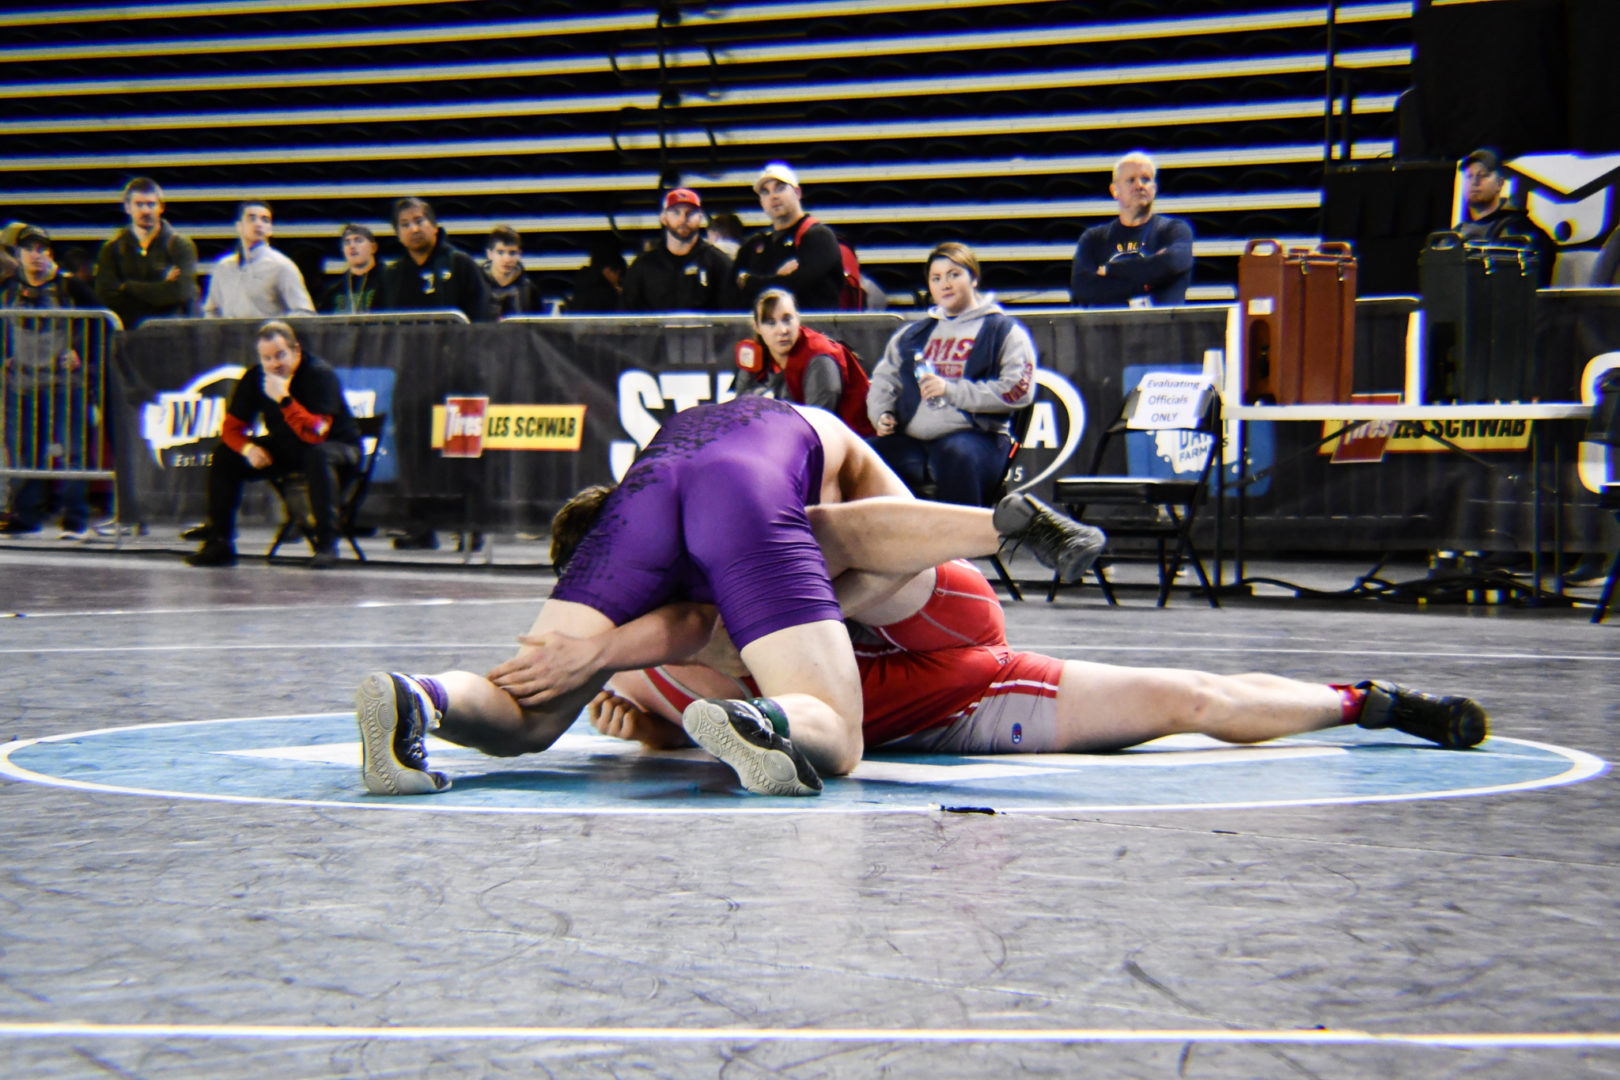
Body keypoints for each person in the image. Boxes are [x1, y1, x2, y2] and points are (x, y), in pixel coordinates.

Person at [353, 396, 1106, 798]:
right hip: (749, 488)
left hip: (649, 504)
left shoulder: (635, 503)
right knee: (838, 731)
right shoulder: (809, 439)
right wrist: (793, 618)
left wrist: (595, 652)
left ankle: (422, 696)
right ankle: (994, 525)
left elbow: (690, 617)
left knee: (527, 716)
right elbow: (889, 557)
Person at [590, 558, 1489, 758]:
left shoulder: (747, 587)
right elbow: (712, 738)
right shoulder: (635, 665)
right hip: (955, 714)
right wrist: (648, 732)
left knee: (1196, 698)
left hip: (968, 677)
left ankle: (1358, 700)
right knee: (1190, 700)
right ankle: (1365, 701)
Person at [866, 242, 1035, 506]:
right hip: (913, 441)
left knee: (956, 454)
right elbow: (883, 382)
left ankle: (964, 534)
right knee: (864, 455)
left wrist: (951, 391)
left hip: (980, 439)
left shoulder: (1004, 331)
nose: (945, 284)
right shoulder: (910, 335)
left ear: (974, 278)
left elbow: (1018, 391)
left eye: (954, 274)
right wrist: (882, 413)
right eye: (936, 278)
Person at [186, 320, 361, 569]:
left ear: (296, 350)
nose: (274, 364)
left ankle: (326, 544)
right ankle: (220, 542)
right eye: (267, 359)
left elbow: (315, 433)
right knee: (225, 455)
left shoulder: (319, 374)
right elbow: (230, 429)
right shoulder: (256, 377)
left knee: (317, 455)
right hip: (289, 446)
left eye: (280, 355)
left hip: (337, 447)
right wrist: (248, 449)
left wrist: (284, 399)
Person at [1, 226, 102, 541]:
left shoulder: (70, 288)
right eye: (29, 249)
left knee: (73, 452)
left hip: (65, 386)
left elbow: (103, 323)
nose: (36, 255)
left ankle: (74, 520)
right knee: (23, 453)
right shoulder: (7, 289)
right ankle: (25, 515)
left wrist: (81, 352)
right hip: (21, 385)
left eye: (41, 249)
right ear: (17, 255)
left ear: (50, 253)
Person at [736, 287, 874, 436]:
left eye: (787, 319)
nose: (782, 330)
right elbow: (741, 414)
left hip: (852, 441)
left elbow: (816, 429)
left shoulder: (819, 358)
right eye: (770, 322)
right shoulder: (755, 358)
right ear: (757, 327)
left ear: (798, 319)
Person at [1070, 151, 1194, 308]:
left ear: (1155, 188)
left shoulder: (1174, 231)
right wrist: (1147, 283)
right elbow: (1082, 288)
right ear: (1114, 190)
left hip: (1161, 323)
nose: (1139, 185)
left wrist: (1109, 270)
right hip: (1109, 324)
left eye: (1146, 179)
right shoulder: (1094, 239)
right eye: (1131, 180)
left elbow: (1173, 263)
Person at [732, 162, 845, 311]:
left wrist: (749, 281)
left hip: (812, 324)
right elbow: (733, 295)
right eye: (765, 192)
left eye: (780, 188)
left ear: (797, 192)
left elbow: (795, 285)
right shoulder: (754, 244)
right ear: (761, 201)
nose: (773, 196)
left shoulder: (819, 236)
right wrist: (777, 279)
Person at [92, 177, 199, 328]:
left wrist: (128, 287)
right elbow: (106, 296)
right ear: (127, 207)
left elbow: (180, 292)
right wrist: (162, 287)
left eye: (151, 204)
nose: (146, 211)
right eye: (139, 204)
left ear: (161, 207)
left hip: (172, 334)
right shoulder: (111, 249)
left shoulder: (180, 246)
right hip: (128, 333)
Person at [1453, 148, 1556, 288]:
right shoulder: (1457, 233)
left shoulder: (1520, 228)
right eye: (1469, 176)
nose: (1475, 182)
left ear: (1500, 183)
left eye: (1483, 175)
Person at [379, 197, 493, 323]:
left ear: (434, 226)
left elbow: (482, 314)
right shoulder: (391, 275)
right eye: (405, 225)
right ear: (398, 234)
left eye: (419, 221)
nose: (414, 229)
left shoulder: (460, 263)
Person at [620, 188, 733, 312]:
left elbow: (732, 314)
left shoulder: (719, 263)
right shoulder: (643, 266)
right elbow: (626, 315)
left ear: (700, 217)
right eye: (676, 212)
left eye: (690, 212)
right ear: (664, 218)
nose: (683, 219)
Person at [201, 200, 316, 319]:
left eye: (265, 220)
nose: (258, 224)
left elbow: (304, 312)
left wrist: (276, 327)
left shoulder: (281, 266)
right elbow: (211, 312)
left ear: (270, 229)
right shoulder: (222, 267)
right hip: (230, 330)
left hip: (266, 330)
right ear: (239, 226)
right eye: (252, 218)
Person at [480, 225, 543, 318]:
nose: (506, 259)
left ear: (519, 254)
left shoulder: (529, 290)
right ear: (490, 254)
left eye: (512, 253)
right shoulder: (476, 286)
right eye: (500, 252)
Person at [320, 223, 382, 314]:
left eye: (358, 240)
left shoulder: (389, 282)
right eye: (347, 242)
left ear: (373, 247)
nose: (352, 246)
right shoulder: (334, 291)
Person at [565, 239, 626, 313]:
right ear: (608, 271)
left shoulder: (581, 286)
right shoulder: (607, 295)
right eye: (618, 275)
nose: (618, 280)